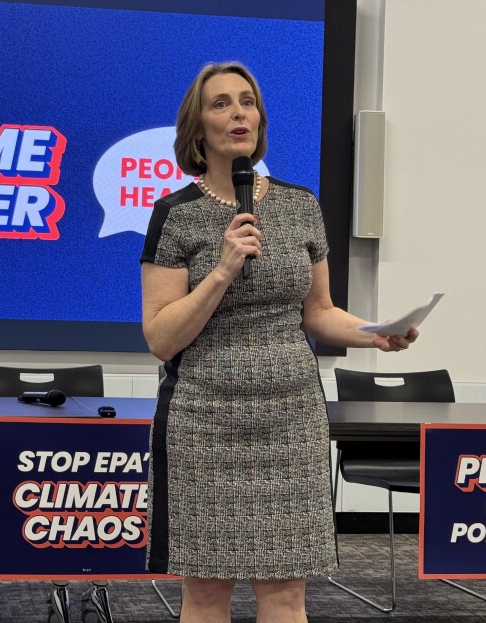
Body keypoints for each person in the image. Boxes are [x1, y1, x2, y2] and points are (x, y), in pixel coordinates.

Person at [139, 61, 418, 623]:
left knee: (288, 595)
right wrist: (220, 270)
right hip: (205, 422)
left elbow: (318, 313)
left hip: (291, 420)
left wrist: (375, 333)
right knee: (208, 594)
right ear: (197, 129)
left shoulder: (300, 205)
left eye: (247, 101)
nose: (238, 112)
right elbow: (161, 337)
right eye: (221, 103)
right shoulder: (176, 215)